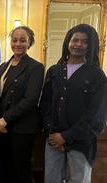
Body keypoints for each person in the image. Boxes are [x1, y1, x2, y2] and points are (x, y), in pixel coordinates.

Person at [40, 24, 107, 183]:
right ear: (67, 42)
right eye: (74, 40)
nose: (78, 44)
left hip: (81, 143)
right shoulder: (54, 71)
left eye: (84, 41)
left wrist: (66, 137)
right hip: (53, 141)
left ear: (90, 46)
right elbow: (45, 105)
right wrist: (52, 133)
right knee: (51, 180)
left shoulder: (97, 75)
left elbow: (96, 116)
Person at [0, 25, 44, 183]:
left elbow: (30, 100)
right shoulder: (3, 67)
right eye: (14, 40)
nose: (18, 44)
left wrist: (4, 119)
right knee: (4, 169)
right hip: (1, 128)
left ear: (29, 43)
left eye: (22, 40)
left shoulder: (36, 67)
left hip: (22, 129)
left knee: (21, 172)